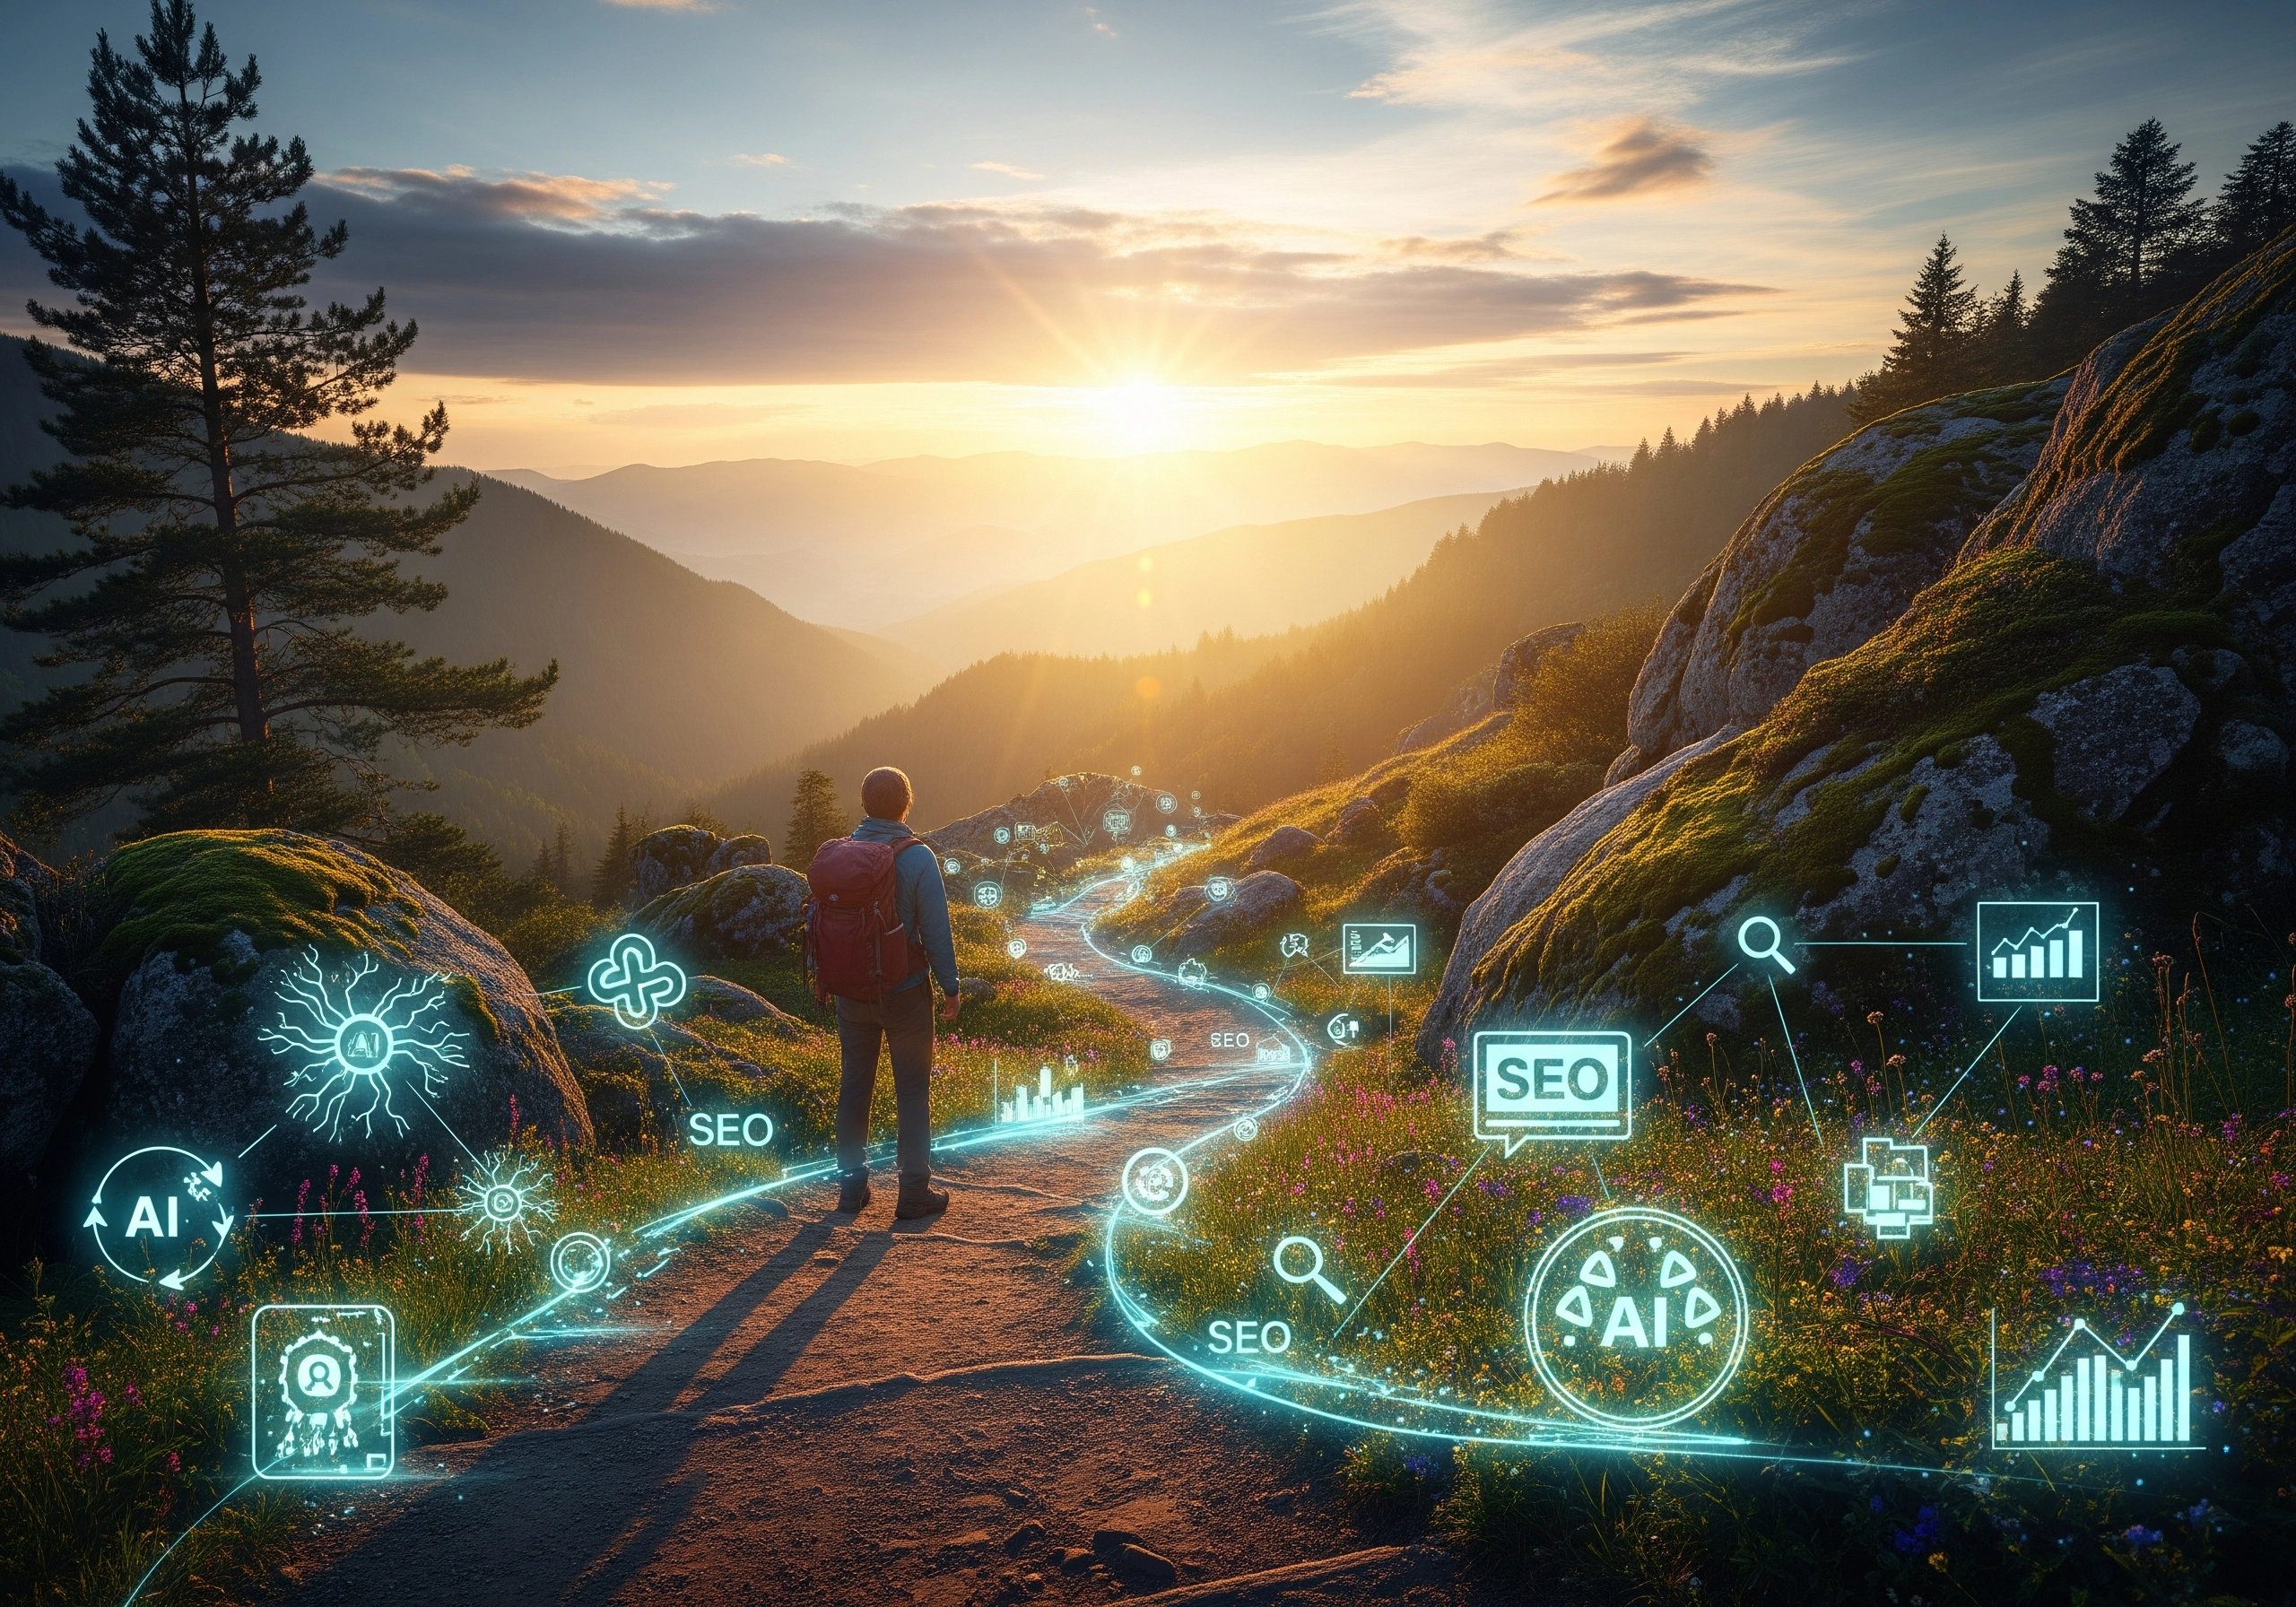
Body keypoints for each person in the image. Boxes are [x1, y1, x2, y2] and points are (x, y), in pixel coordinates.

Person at [833, 766, 960, 1219]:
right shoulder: (918, 857)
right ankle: (912, 1195)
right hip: (905, 993)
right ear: (907, 804)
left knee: (855, 1087)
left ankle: (851, 1192)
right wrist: (951, 987)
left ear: (865, 805)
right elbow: (937, 931)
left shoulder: (843, 853)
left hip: (851, 994)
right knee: (911, 1090)